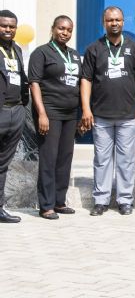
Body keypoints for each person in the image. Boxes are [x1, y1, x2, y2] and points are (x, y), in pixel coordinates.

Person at [81, 6, 135, 216]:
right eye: (110, 20)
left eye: (117, 19)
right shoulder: (94, 49)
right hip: (101, 115)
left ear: (123, 22)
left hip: (128, 115)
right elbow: (86, 80)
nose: (114, 23)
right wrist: (86, 109)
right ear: (104, 23)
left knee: (126, 160)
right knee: (102, 160)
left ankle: (125, 200)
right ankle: (101, 200)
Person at [29, 15, 82, 220]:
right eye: (61, 28)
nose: (65, 33)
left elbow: (80, 83)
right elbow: (34, 83)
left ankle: (59, 202)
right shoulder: (41, 52)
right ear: (53, 29)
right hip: (50, 112)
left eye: (68, 30)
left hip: (70, 114)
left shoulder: (74, 55)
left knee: (64, 158)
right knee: (49, 159)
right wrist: (42, 113)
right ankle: (46, 206)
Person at [0, 10, 29, 223]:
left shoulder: (17, 49)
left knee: (3, 164)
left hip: (16, 111)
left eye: (12, 26)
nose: (8, 29)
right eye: (4, 26)